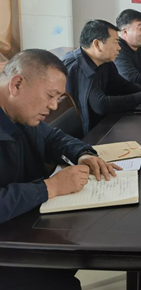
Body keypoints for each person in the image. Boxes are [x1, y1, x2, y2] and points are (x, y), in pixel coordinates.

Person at [0, 49, 119, 289]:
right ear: (17, 84)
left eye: (58, 98)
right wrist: (49, 187)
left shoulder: (22, 114)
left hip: (29, 226)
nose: (54, 106)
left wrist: (83, 154)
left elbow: (53, 138)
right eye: (50, 96)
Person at [62, 20, 141, 135]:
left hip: (103, 123)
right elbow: (101, 105)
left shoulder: (103, 61)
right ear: (97, 44)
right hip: (84, 136)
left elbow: (122, 85)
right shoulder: (78, 66)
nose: (119, 48)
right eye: (115, 42)